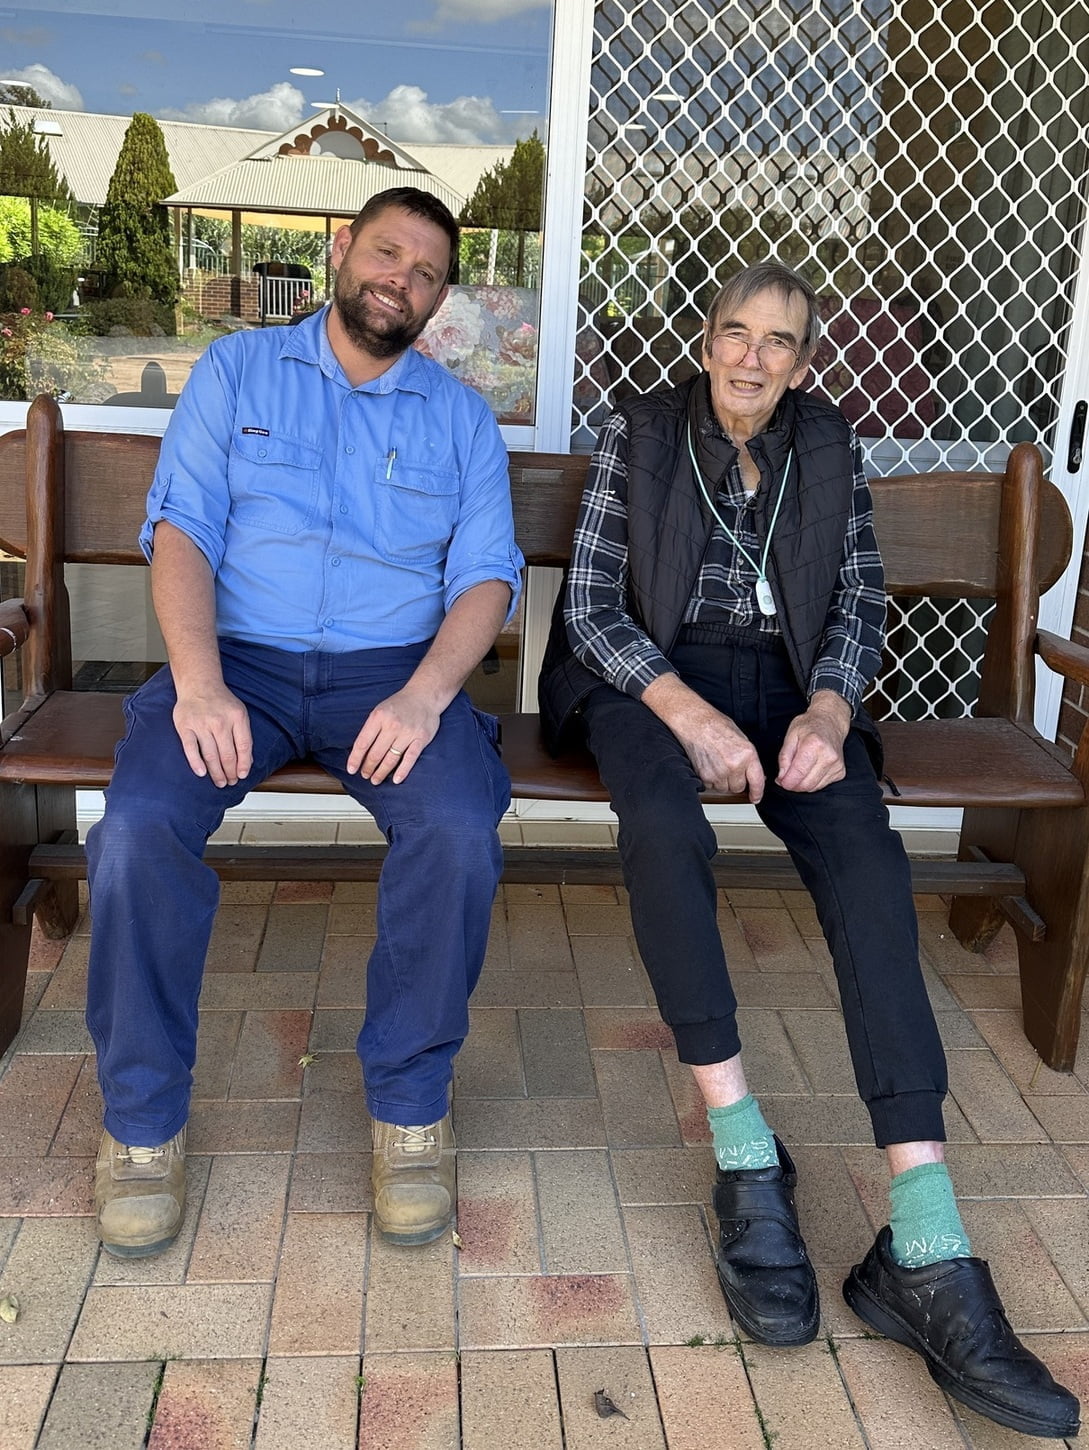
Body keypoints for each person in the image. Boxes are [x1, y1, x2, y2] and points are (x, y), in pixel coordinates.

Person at [539, 262, 1079, 1440]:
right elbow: (589, 612)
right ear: (704, 339)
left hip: (788, 692)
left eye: (778, 343)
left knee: (869, 858)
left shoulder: (828, 447)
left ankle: (924, 1243)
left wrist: (830, 715)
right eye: (734, 334)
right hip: (645, 683)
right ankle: (745, 1154)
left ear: (801, 360)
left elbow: (859, 598)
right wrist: (691, 716)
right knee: (666, 826)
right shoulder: (638, 432)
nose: (752, 358)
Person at [87, 186, 522, 1257]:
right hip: (238, 664)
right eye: (387, 254)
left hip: (391, 674)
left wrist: (426, 696)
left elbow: (486, 578)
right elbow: (180, 531)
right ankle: (142, 1127)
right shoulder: (236, 373)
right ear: (342, 250)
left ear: (441, 296)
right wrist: (196, 680)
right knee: (139, 826)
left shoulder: (460, 417)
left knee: (459, 827)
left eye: (426, 273)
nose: (401, 282)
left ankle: (410, 1110)